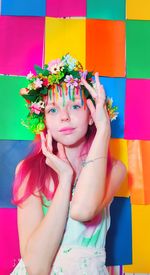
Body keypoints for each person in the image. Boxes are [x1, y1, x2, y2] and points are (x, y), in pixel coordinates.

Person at [11, 54, 126, 275]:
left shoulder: (115, 170)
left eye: (74, 106)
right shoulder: (27, 170)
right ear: (44, 120)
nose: (64, 116)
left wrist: (104, 130)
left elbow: (83, 210)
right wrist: (65, 179)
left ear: (92, 114)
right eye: (53, 110)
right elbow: (36, 267)